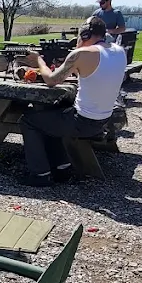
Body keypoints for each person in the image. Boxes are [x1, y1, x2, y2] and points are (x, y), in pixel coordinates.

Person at [16, 18, 127, 186]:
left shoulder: (81, 55)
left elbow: (51, 80)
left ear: (85, 33)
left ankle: (40, 175)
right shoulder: (119, 51)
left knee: (28, 120)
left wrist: (39, 60)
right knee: (53, 113)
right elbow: (95, 74)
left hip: (83, 121)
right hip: (104, 119)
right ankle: (62, 167)